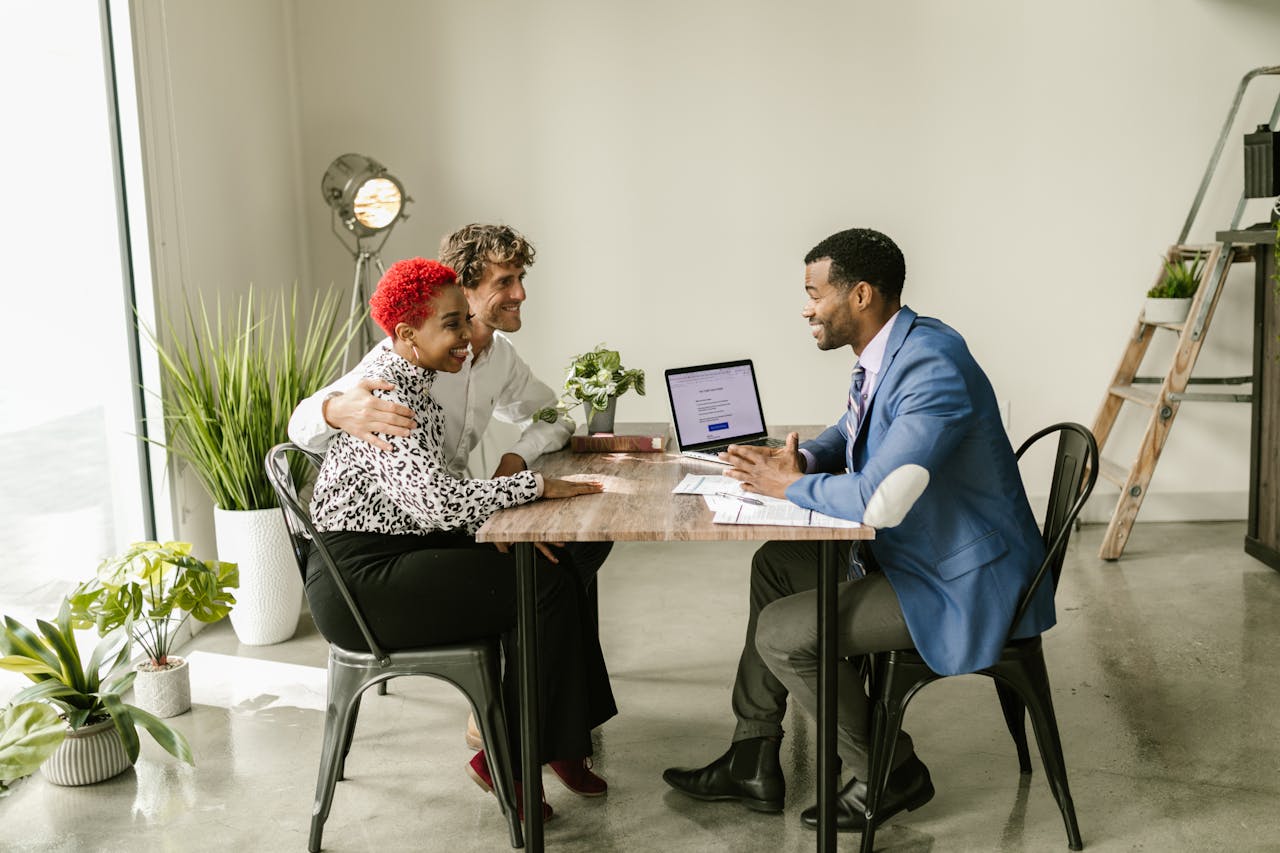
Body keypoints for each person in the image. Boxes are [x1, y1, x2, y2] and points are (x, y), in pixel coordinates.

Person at [662, 227, 1052, 833]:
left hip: (963, 577)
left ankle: (890, 770)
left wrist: (784, 487)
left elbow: (882, 500)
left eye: (815, 293)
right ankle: (753, 754)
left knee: (783, 633)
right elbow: (851, 430)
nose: (805, 307)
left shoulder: (931, 365)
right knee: (774, 565)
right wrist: (805, 462)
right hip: (923, 550)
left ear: (861, 295)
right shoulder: (894, 349)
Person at [308, 257, 617, 821]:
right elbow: (435, 500)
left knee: (555, 564)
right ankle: (514, 759)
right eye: (453, 324)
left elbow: (433, 498)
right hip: (361, 581)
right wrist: (533, 487)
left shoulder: (418, 376)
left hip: (408, 544)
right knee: (540, 587)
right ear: (407, 334)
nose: (467, 336)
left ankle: (560, 743)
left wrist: (506, 515)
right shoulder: (384, 394)